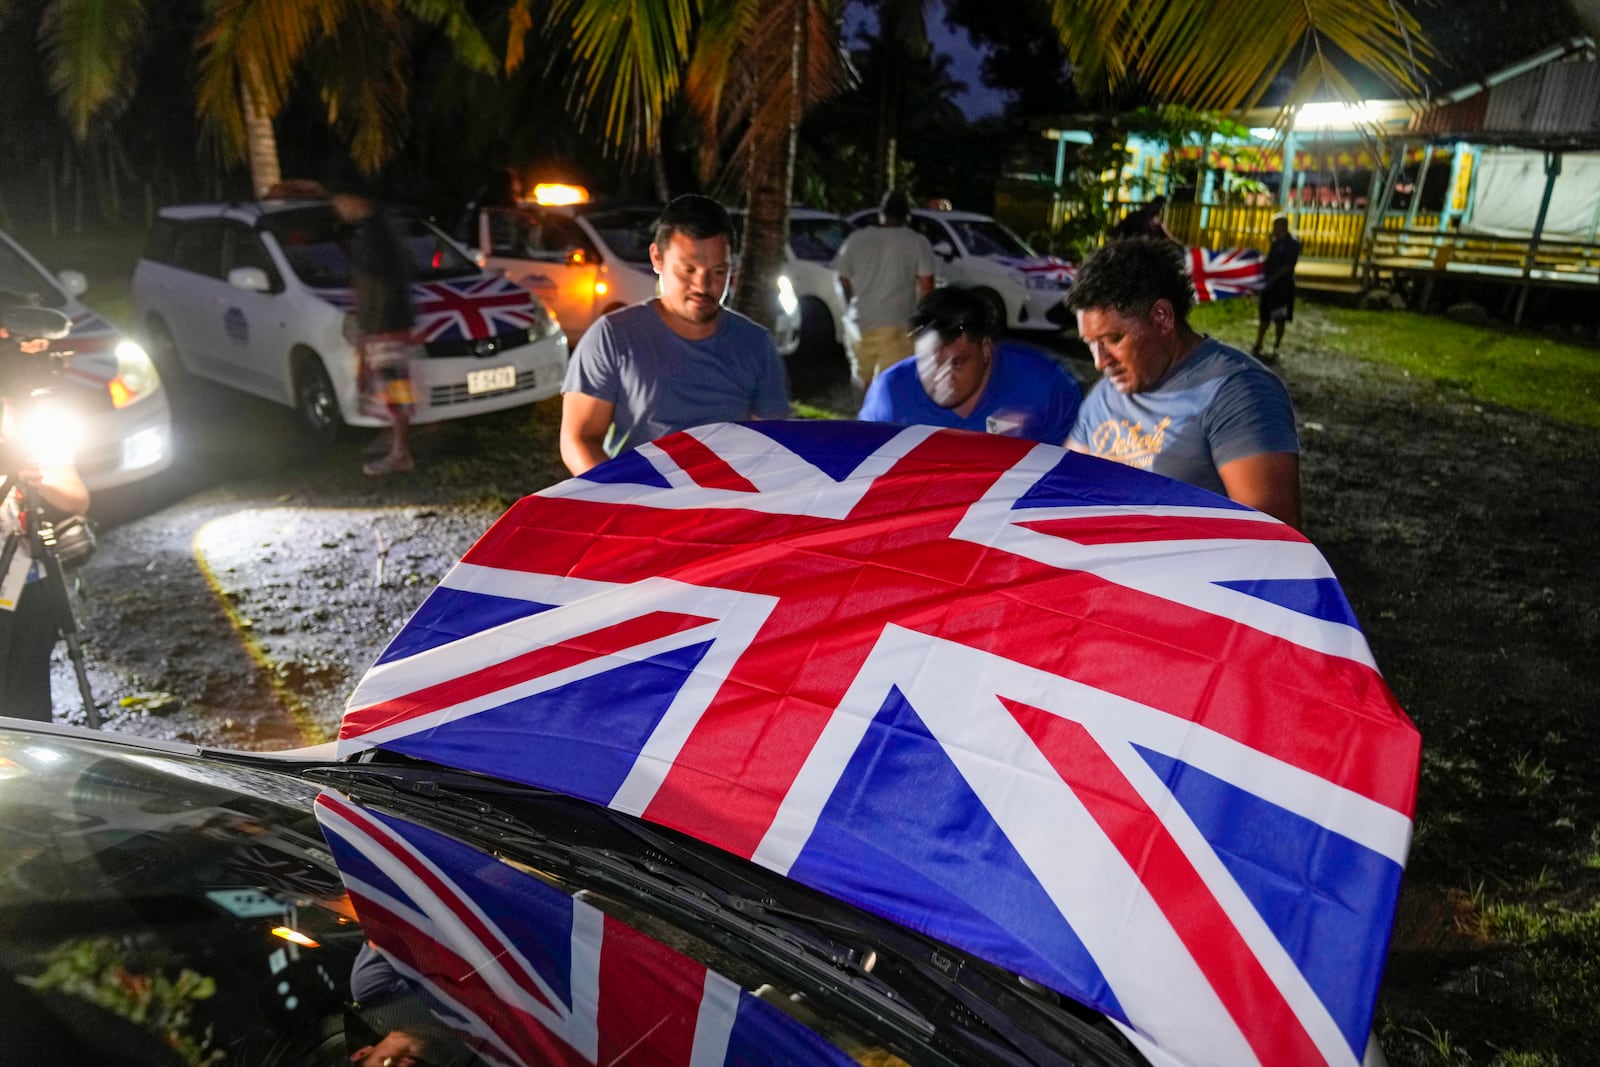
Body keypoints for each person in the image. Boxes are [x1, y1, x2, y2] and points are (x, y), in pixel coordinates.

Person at [1065, 237, 1302, 529]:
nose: (1100, 362)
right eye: (1091, 344)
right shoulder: (1106, 393)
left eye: (1113, 339)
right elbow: (1066, 487)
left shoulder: (1240, 393)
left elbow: (1270, 535)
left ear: (1162, 318)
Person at [559, 194, 791, 475]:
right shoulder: (613, 337)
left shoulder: (755, 344)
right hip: (641, 503)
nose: (703, 285)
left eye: (718, 271)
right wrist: (622, 501)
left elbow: (774, 447)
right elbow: (579, 439)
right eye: (688, 270)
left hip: (730, 506)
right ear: (657, 258)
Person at [0, 303, 90, 721]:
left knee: (30, 695)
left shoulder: (34, 414)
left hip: (29, 578)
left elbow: (77, 497)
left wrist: (39, 477)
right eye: (25, 345)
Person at [859, 286, 1081, 444]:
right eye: (929, 363)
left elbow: (1074, 472)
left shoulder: (1048, 386)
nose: (942, 378)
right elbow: (861, 472)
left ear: (985, 349)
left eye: (957, 363)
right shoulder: (889, 395)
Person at [328, 163, 417, 477]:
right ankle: (389, 440)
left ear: (351, 199)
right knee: (384, 387)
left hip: (386, 326)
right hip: (388, 324)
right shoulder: (378, 226)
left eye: (338, 202)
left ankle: (400, 453)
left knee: (394, 388)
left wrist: (369, 332)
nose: (337, 209)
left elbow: (378, 285)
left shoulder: (374, 233)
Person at [831, 189, 936, 390]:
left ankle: (864, 419)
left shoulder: (857, 239)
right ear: (907, 216)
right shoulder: (916, 242)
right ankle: (883, 421)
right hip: (897, 325)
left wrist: (851, 303)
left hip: (860, 325)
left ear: (881, 213)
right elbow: (927, 286)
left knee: (864, 383)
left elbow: (841, 277)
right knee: (892, 388)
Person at [1253, 214, 1301, 362]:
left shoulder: (1292, 243)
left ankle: (1276, 345)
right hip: (1269, 287)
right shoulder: (1275, 243)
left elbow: (1288, 266)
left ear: (1283, 226)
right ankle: (1259, 343)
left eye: (1276, 226)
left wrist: (1273, 279)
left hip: (1282, 287)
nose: (1273, 229)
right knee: (1264, 316)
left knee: (1279, 318)